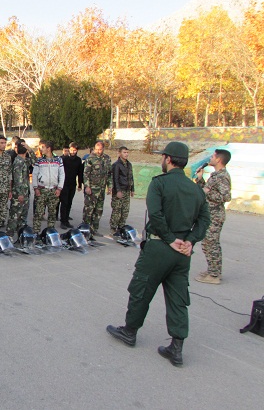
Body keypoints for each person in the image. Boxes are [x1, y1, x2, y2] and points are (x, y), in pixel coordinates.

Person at [106, 141, 210, 367]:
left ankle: (130, 331)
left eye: (163, 157)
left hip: (160, 247)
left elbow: (156, 214)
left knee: (141, 289)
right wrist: (190, 241)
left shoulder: (159, 184)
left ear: (169, 159)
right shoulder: (196, 189)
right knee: (178, 298)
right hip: (183, 253)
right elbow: (205, 220)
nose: (162, 160)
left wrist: (171, 240)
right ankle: (177, 346)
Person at [195, 149, 232, 284]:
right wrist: (200, 179)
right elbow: (206, 190)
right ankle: (213, 270)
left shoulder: (222, 176)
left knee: (212, 244)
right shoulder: (216, 175)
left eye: (212, 156)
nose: (210, 158)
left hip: (215, 215)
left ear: (218, 160)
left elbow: (226, 196)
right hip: (210, 214)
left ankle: (214, 275)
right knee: (208, 243)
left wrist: (207, 192)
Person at [32, 140, 64, 234]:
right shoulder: (40, 160)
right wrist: (35, 188)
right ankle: (36, 233)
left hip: (54, 190)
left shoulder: (58, 160)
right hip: (42, 190)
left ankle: (50, 233)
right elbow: (35, 174)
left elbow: (62, 175)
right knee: (38, 213)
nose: (41, 149)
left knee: (52, 213)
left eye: (43, 147)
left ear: (48, 148)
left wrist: (59, 188)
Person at [82, 141, 111, 237]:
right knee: (89, 210)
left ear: (103, 149)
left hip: (101, 189)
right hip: (92, 189)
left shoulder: (107, 159)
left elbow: (109, 173)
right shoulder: (90, 158)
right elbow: (86, 174)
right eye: (97, 149)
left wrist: (109, 186)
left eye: (100, 149)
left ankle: (94, 229)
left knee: (99, 210)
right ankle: (85, 229)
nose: (98, 151)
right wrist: (87, 186)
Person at [109, 146, 135, 236]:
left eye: (127, 152)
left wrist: (132, 189)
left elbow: (131, 177)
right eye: (124, 152)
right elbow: (115, 178)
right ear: (119, 153)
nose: (126, 154)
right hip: (119, 190)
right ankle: (113, 227)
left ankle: (121, 227)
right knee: (117, 210)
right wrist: (118, 191)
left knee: (125, 210)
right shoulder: (116, 165)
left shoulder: (129, 164)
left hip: (127, 190)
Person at [6, 143, 31, 235]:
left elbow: (35, 161)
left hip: (25, 192)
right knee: (15, 215)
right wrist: (20, 193)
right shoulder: (18, 162)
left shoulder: (25, 160)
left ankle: (21, 234)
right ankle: (9, 235)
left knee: (23, 216)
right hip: (19, 193)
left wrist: (29, 149)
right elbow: (17, 180)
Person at [59, 142, 83, 229]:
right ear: (69, 149)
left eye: (75, 150)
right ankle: (62, 221)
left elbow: (80, 173)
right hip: (64, 184)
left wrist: (80, 184)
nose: (73, 152)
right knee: (64, 202)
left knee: (69, 202)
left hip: (72, 184)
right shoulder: (63, 159)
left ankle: (66, 220)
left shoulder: (78, 160)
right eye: (71, 150)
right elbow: (60, 172)